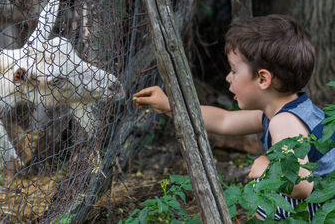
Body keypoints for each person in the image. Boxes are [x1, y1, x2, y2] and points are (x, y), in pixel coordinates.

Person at [132, 15, 335, 221]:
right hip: (325, 200)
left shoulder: (284, 122)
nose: (228, 78)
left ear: (263, 79)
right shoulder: (289, 109)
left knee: (259, 192)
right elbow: (224, 120)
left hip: (322, 208)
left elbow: (302, 186)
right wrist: (170, 105)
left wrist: (268, 169)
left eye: (234, 71)